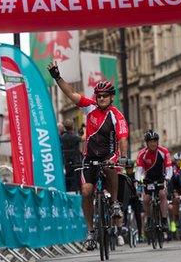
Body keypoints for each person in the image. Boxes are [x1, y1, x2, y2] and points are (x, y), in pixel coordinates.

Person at [47, 61, 128, 251]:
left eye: (105, 96)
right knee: (86, 191)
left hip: (109, 155)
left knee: (111, 166)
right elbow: (71, 94)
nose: (101, 98)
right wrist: (57, 77)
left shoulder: (117, 115)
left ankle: (115, 202)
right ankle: (91, 232)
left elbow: (123, 138)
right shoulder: (89, 107)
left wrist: (122, 157)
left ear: (111, 97)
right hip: (89, 157)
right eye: (98, 96)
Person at [135, 130, 173, 232]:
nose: (153, 143)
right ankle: (149, 219)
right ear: (147, 143)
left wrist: (167, 178)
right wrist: (140, 180)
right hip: (148, 179)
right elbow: (139, 170)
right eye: (151, 141)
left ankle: (164, 220)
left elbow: (169, 168)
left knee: (162, 194)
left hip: (161, 177)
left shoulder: (164, 151)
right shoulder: (142, 154)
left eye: (155, 141)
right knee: (146, 199)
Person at [117, 159, 142, 246]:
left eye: (130, 168)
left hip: (135, 198)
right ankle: (123, 228)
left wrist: (139, 193)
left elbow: (140, 185)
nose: (129, 170)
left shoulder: (136, 176)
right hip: (126, 198)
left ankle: (140, 233)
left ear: (132, 168)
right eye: (127, 168)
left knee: (138, 214)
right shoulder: (123, 176)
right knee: (123, 211)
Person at [60, 119, 82, 192]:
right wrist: (85, 130)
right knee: (76, 179)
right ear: (73, 126)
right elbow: (83, 139)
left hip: (66, 160)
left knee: (68, 178)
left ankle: (68, 192)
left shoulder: (62, 137)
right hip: (75, 161)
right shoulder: (73, 137)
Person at [168, 152, 181, 234]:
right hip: (175, 187)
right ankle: (175, 220)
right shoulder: (172, 168)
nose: (179, 162)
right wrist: (174, 193)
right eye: (177, 161)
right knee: (174, 203)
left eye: (180, 160)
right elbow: (171, 182)